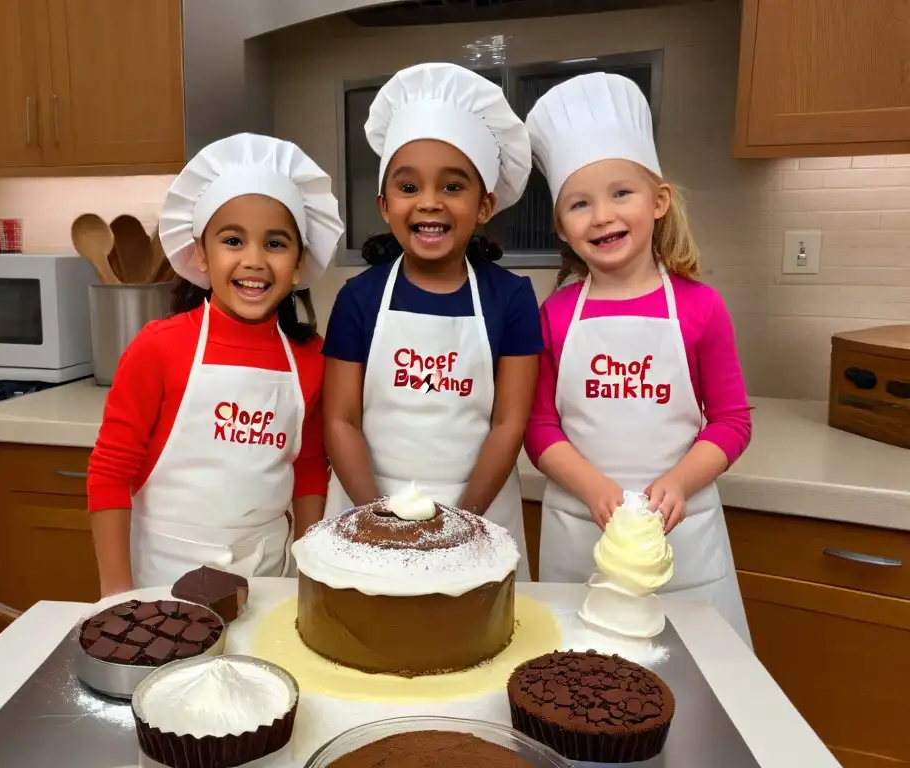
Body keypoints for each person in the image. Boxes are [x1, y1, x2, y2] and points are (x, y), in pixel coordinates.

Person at [524, 73, 753, 642]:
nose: (601, 215)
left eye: (621, 193)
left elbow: (732, 421)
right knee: (580, 685)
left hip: (683, 535)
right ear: (563, 226)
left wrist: (678, 482)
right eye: (580, 204)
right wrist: (595, 490)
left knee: (695, 682)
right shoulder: (554, 314)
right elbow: (539, 425)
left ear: (659, 201)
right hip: (580, 530)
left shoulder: (701, 308)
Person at [87, 133, 344, 595]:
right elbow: (110, 472)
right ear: (201, 254)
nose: (254, 260)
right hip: (162, 579)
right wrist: (116, 592)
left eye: (275, 244)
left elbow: (308, 469)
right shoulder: (159, 348)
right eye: (232, 240)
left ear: (299, 264)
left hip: (269, 576)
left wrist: (310, 578)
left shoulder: (309, 358)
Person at [322, 62, 543, 581]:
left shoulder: (510, 298)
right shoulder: (358, 298)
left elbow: (508, 424)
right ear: (383, 204)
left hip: (480, 515)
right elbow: (341, 421)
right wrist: (376, 520)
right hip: (365, 513)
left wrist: (463, 525)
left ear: (485, 204)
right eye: (408, 186)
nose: (429, 202)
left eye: (452, 186)